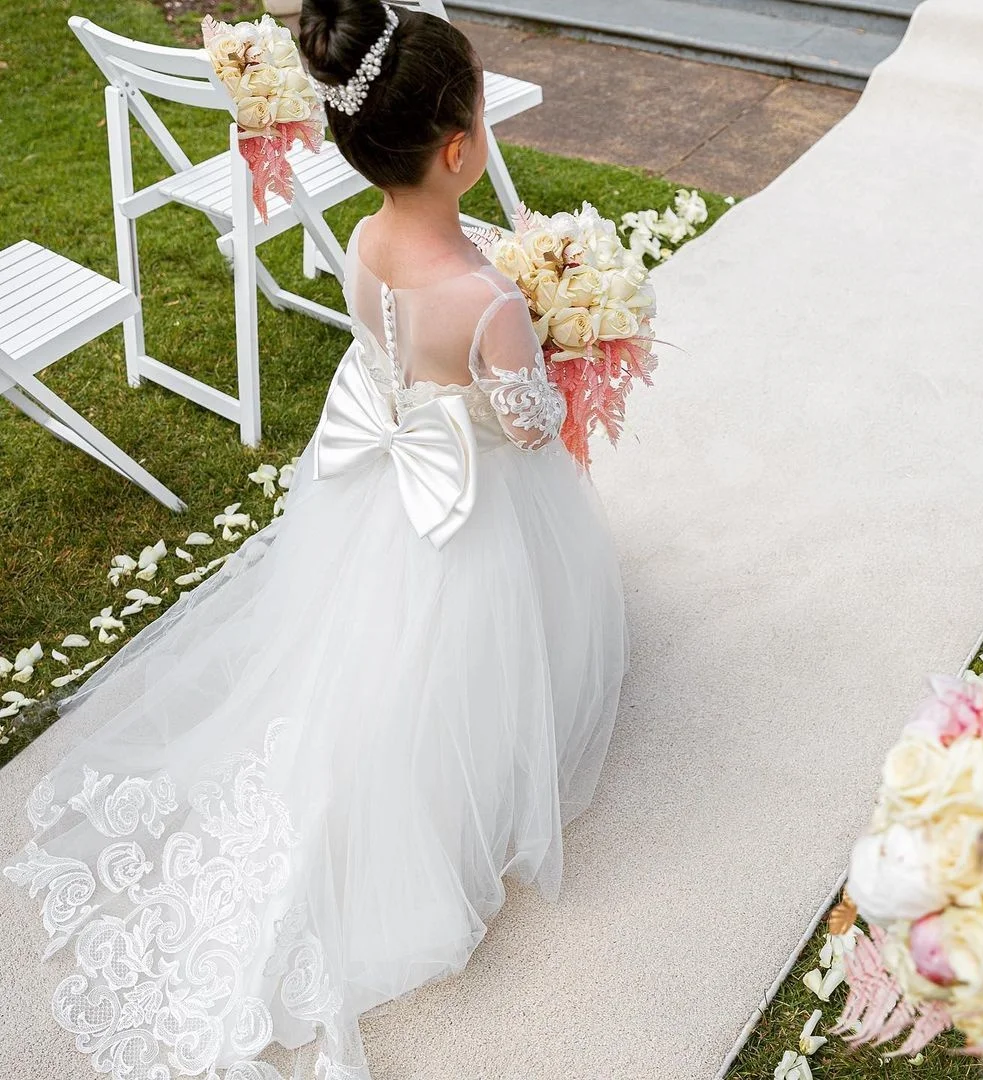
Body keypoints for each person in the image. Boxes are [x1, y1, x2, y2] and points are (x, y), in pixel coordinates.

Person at [2, 1, 626, 1076]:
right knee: (452, 666)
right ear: (461, 146)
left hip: (376, 483)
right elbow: (527, 427)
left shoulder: (371, 243)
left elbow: (390, 355)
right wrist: (563, 345)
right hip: (459, 499)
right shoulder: (485, 301)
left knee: (357, 639)